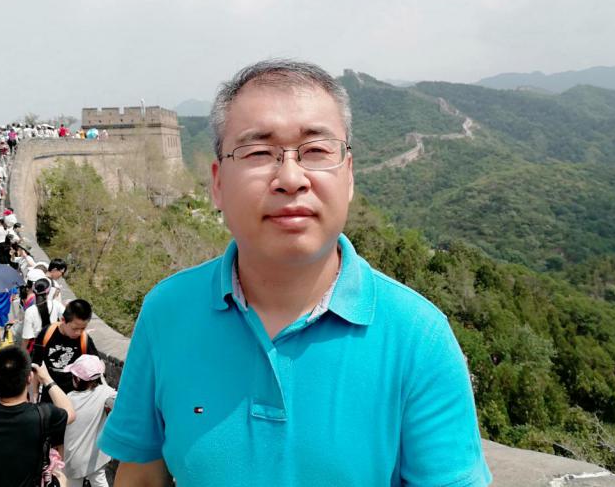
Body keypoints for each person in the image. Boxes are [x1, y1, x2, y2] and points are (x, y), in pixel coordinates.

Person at [99, 60, 492, 487]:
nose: (290, 178)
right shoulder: (168, 313)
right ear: (217, 183)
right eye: (258, 152)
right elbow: (141, 475)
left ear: (349, 175)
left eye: (316, 151)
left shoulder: (417, 336)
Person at [0, 346, 75, 487]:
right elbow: (70, 412)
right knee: (61, 478)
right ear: (29, 378)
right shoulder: (43, 414)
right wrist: (46, 379)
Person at [62, 355, 116, 487]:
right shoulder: (105, 392)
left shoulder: (69, 398)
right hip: (96, 455)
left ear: (77, 379)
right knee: (99, 481)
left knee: (73, 483)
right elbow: (119, 402)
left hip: (75, 457)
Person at [31, 299, 98, 403]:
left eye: (83, 328)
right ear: (63, 320)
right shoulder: (47, 334)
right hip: (49, 393)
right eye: (75, 328)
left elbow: (95, 370)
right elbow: (36, 366)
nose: (79, 333)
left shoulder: (84, 340)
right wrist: (34, 394)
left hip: (74, 397)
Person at [22, 277, 66, 347]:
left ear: (34, 291)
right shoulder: (56, 304)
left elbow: (26, 337)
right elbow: (68, 318)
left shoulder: (29, 311)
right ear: (48, 292)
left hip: (38, 346)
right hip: (54, 343)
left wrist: (22, 351)